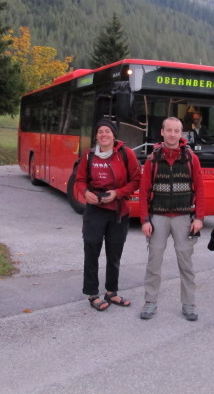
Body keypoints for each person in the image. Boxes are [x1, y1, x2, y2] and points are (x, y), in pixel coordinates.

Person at [139, 117, 205, 321]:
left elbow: (200, 189)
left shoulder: (190, 158)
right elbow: (143, 191)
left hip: (184, 218)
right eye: (169, 130)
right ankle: (150, 302)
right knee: (154, 263)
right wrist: (145, 220)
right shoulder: (152, 159)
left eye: (177, 131)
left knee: (186, 264)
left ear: (181, 134)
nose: (173, 134)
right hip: (158, 217)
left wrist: (199, 218)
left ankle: (189, 304)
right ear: (162, 132)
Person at [75, 119, 141, 311]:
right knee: (92, 252)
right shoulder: (88, 156)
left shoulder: (126, 154)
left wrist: (117, 193)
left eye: (107, 131)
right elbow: (79, 180)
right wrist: (86, 193)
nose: (104, 134)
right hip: (94, 210)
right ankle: (92, 293)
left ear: (114, 135)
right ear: (96, 136)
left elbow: (136, 180)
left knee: (114, 254)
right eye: (100, 131)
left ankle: (111, 292)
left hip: (118, 211)